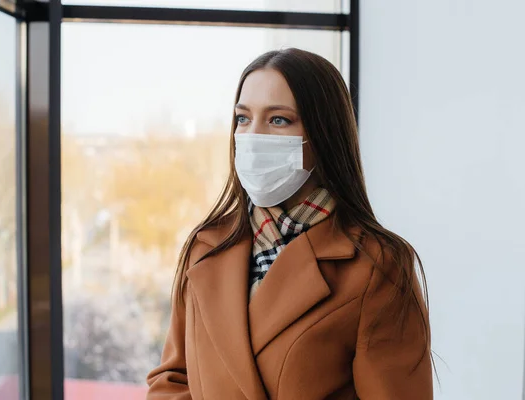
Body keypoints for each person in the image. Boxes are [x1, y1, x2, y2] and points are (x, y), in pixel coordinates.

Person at [146, 48, 433, 399]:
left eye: (278, 119)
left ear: (323, 134)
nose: (253, 136)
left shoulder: (377, 265)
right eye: (243, 118)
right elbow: (173, 381)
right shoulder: (206, 247)